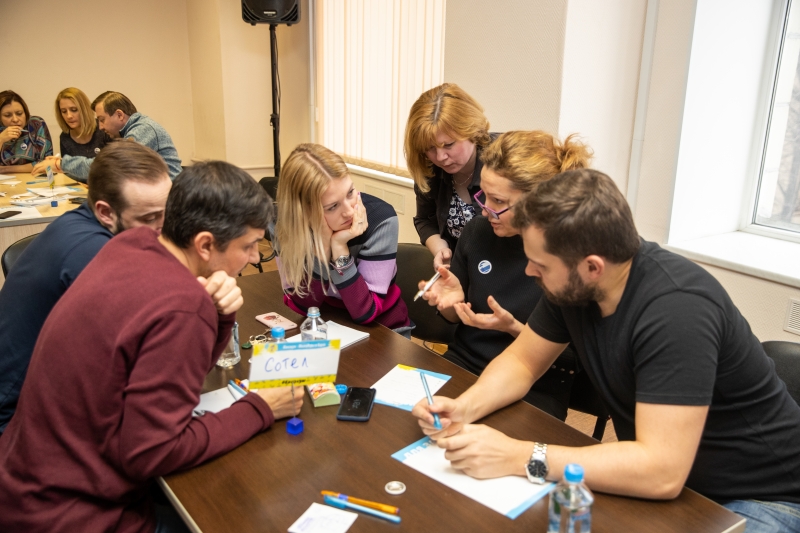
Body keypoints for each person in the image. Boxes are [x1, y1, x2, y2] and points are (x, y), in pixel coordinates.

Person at [413, 169, 800, 532]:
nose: (530, 272)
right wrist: (464, 408)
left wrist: (518, 456)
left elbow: (661, 471)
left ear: (592, 266)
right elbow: (522, 362)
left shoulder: (677, 312)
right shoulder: (575, 285)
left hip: (760, 497)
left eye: (540, 264)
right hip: (671, 483)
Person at [0, 160, 302, 533]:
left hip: (23, 481)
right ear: (205, 244)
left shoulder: (131, 243)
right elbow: (153, 452)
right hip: (69, 515)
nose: (256, 257)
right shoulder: (182, 306)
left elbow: (181, 368)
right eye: (249, 245)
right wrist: (260, 408)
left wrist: (220, 315)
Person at [0, 141, 172, 434]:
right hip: (16, 419)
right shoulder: (92, 253)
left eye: (165, 212)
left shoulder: (82, 221)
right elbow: (141, 347)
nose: (163, 227)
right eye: (149, 218)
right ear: (105, 212)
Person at [421, 131, 592, 420]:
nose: (484, 210)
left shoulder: (570, 261)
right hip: (464, 365)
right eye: (483, 195)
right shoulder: (478, 232)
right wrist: (452, 304)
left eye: (498, 201)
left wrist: (513, 328)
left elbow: (573, 363)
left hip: (536, 388)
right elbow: (454, 319)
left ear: (539, 202)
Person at [275, 143, 411, 334]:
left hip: (383, 330)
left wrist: (339, 248)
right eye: (332, 207)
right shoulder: (286, 227)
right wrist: (322, 249)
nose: (349, 212)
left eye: (350, 193)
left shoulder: (381, 219)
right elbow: (302, 306)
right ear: (304, 211)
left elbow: (366, 312)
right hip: (326, 324)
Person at [405, 83, 494, 269]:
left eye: (449, 145)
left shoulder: (504, 159)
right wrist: (441, 250)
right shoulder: (429, 168)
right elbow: (425, 220)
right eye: (430, 148)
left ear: (472, 130)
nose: (440, 157)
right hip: (461, 271)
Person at [32, 91, 182, 182]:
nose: (101, 127)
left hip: (170, 204)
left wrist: (61, 164)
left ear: (119, 115)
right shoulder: (131, 130)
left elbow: (108, 167)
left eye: (102, 119)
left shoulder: (143, 130)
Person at [0, 90, 53, 174]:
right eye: (7, 115)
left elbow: (47, 163)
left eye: (19, 113)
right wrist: (1, 139)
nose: (15, 119)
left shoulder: (36, 124)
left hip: (32, 178)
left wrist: (5, 169)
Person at [54, 87, 106, 158]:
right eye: (64, 111)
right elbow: (68, 164)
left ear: (84, 109)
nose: (69, 116)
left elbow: (116, 161)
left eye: (74, 110)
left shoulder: (103, 128)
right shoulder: (65, 138)